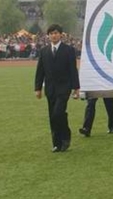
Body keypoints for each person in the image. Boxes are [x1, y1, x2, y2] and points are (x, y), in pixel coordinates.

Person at [34, 24, 80, 153]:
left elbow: (73, 70)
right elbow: (40, 71)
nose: (54, 35)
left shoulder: (68, 50)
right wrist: (38, 88)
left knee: (57, 113)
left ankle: (65, 137)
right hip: (50, 89)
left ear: (61, 34)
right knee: (53, 116)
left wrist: (76, 88)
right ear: (48, 36)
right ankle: (56, 143)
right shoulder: (44, 51)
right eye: (51, 33)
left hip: (64, 88)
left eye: (56, 33)